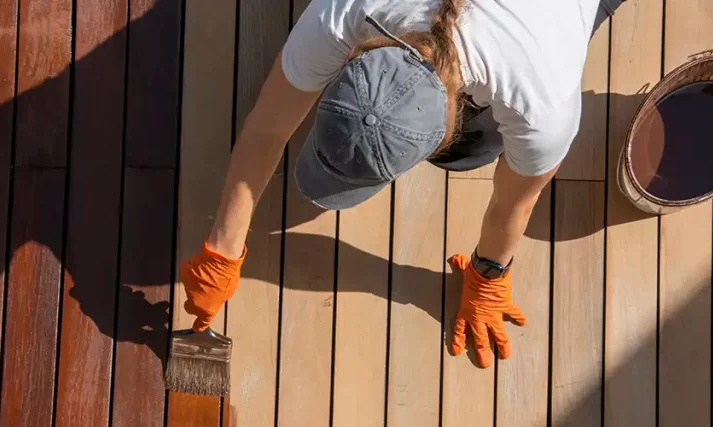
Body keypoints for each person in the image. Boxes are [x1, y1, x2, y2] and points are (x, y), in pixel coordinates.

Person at [180, 0, 622, 368]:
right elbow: (267, 131)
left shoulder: (539, 107)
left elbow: (513, 206)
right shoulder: (353, 7)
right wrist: (222, 248)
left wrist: (488, 277)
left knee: (466, 157)